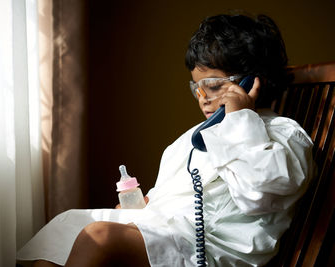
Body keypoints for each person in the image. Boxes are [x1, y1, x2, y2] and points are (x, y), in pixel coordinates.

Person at [17, 13, 314, 267]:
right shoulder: (195, 138)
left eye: (211, 86)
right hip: (169, 230)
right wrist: (147, 205)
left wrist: (240, 120)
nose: (202, 98)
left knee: (100, 237)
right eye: (195, 88)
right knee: (67, 228)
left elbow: (259, 194)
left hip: (210, 251)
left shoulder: (285, 134)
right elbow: (180, 194)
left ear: (252, 81)